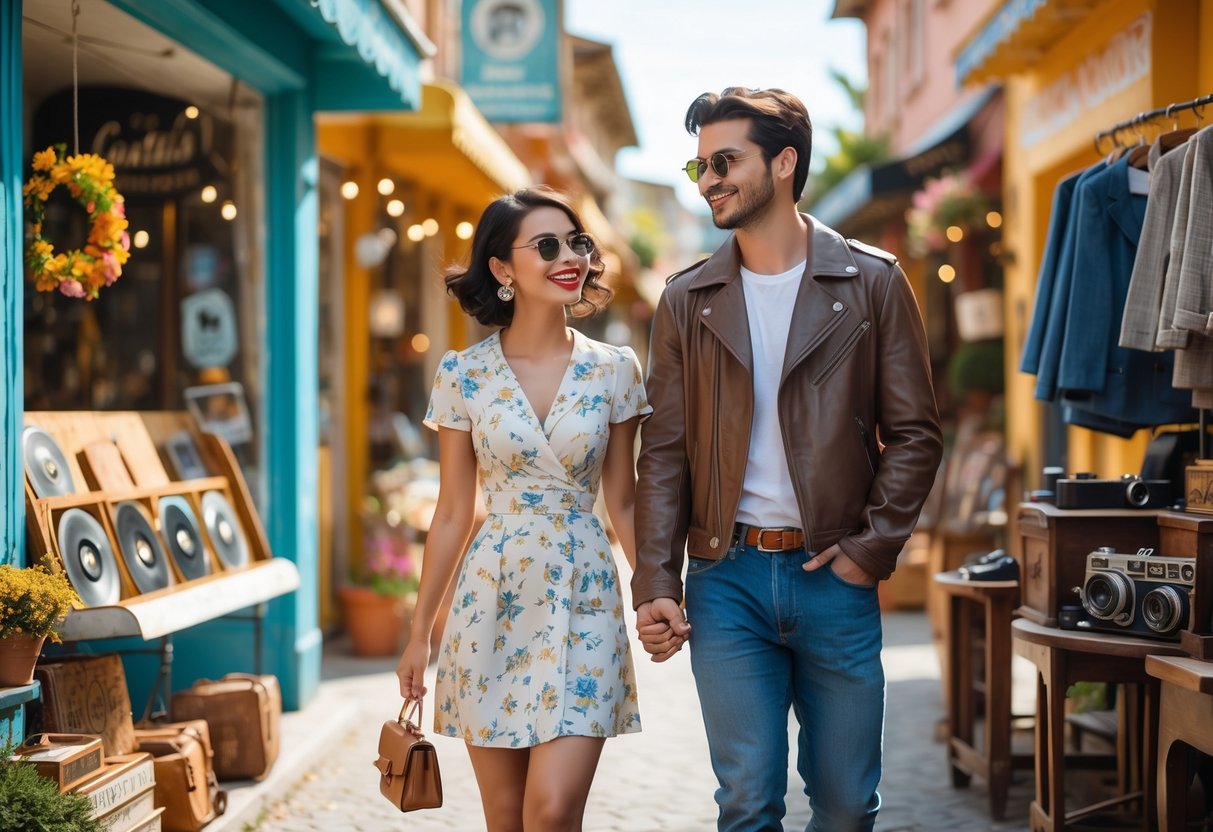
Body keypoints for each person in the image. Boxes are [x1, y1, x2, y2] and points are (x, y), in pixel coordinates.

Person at [632, 87, 944, 832]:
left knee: (843, 805)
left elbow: (915, 433)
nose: (707, 179)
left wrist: (868, 551)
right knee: (746, 801)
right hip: (725, 580)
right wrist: (654, 580)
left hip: (832, 577)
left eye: (724, 161)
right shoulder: (685, 300)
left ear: (783, 161)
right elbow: (664, 452)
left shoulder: (871, 281)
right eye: (698, 165)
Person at [397, 186, 649, 832]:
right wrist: (420, 633)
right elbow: (454, 511)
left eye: (577, 243)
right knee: (506, 819)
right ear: (502, 269)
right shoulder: (463, 375)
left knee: (552, 811)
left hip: (584, 595)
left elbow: (621, 497)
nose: (569, 257)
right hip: (491, 600)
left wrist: (656, 590)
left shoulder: (614, 370)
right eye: (547, 245)